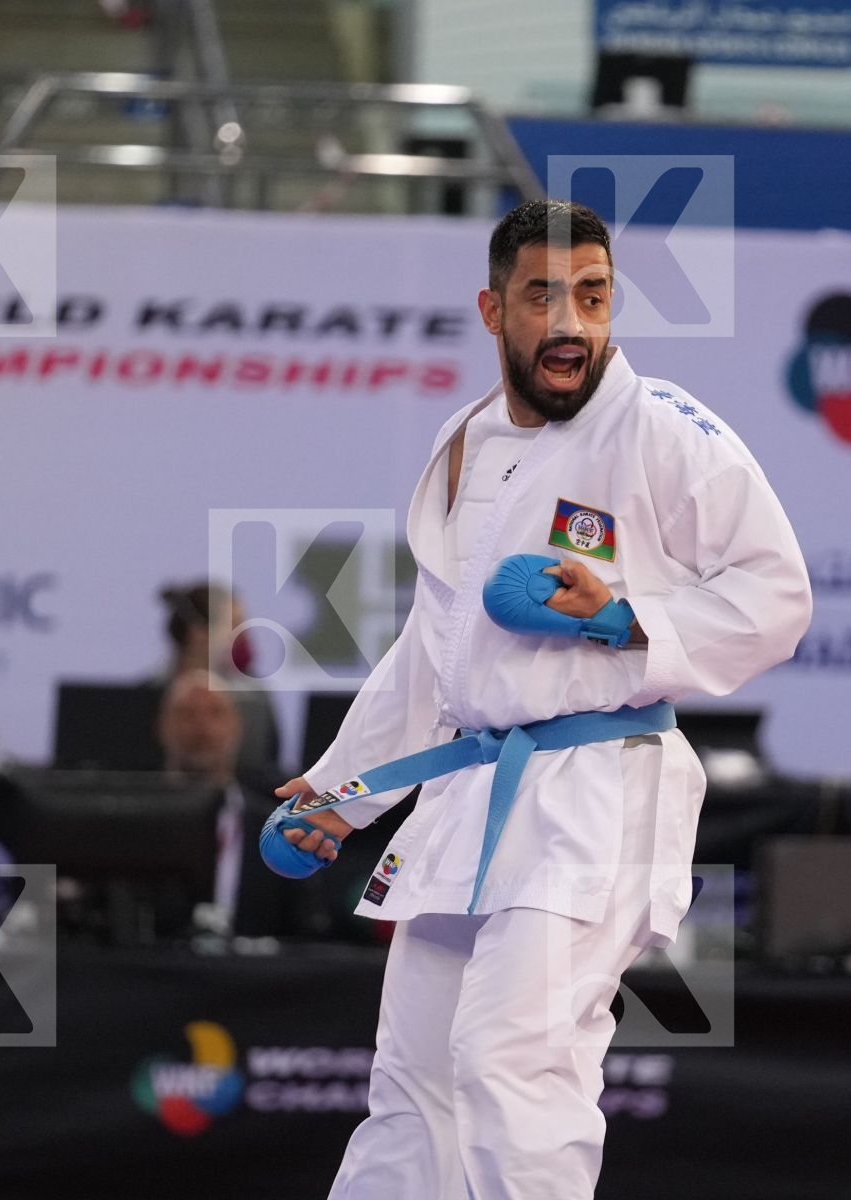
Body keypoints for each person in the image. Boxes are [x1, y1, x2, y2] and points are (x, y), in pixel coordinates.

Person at [264, 199, 812, 1199]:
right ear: (492, 309)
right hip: (473, 795)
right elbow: (437, 649)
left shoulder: (659, 428)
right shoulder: (465, 441)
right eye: (543, 297)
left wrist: (623, 616)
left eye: (593, 297)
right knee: (413, 1074)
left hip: (597, 791)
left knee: (510, 1062)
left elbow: (777, 597)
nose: (571, 322)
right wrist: (342, 792)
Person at [156, 670, 346, 940]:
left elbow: (307, 933)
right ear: (162, 726)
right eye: (187, 713)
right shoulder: (132, 823)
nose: (202, 727)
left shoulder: (276, 831)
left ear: (237, 727)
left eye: (215, 713)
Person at [156, 580, 281, 773]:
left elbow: (267, 765)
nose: (242, 638)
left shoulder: (255, 698)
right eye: (234, 626)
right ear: (198, 633)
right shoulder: (150, 691)